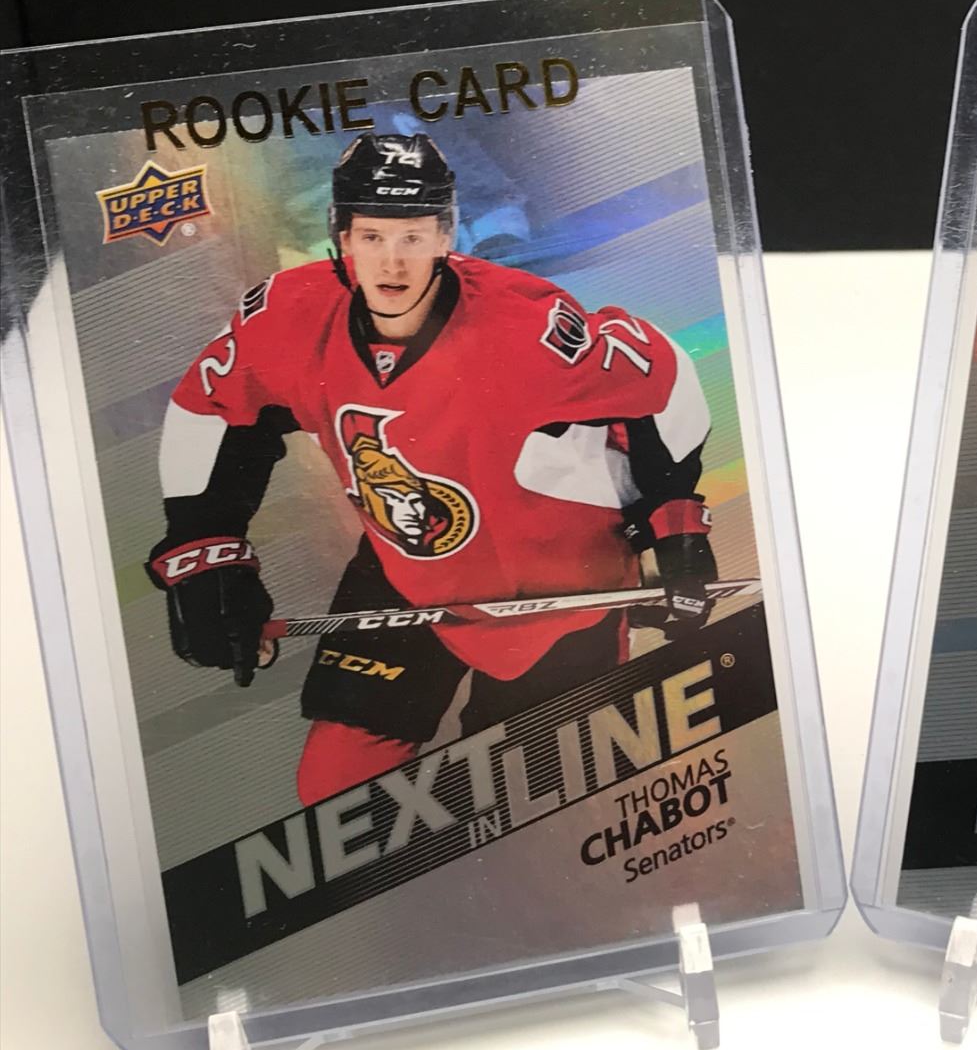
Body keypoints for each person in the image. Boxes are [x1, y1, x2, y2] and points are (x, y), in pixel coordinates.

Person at [148, 132, 717, 803]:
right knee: (333, 793)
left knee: (529, 801)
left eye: (413, 238)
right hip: (405, 569)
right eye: (371, 236)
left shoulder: (522, 324)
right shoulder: (286, 315)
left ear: (447, 235)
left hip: (561, 589)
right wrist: (205, 558)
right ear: (340, 234)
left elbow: (661, 377)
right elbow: (212, 409)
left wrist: (674, 526)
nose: (392, 262)